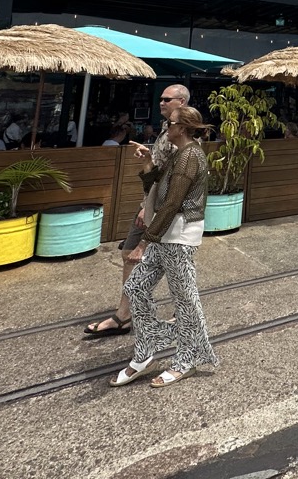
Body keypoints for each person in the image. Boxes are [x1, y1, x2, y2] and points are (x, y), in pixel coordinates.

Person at [110, 106, 219, 388]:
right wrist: (148, 162)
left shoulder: (190, 157)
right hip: (164, 233)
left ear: (181, 128)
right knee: (135, 287)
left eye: (168, 123)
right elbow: (158, 186)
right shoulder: (179, 154)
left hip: (178, 236)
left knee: (185, 299)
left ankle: (188, 358)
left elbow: (173, 202)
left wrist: (145, 242)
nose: (165, 127)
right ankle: (149, 345)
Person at [84, 84, 188, 338]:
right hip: (150, 203)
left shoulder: (183, 140)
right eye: (160, 99)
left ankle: (139, 316)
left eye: (167, 99)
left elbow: (172, 181)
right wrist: (149, 157)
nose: (161, 102)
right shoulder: (167, 131)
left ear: (182, 103)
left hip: (160, 207)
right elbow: (158, 169)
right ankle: (125, 315)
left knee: (160, 259)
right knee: (137, 255)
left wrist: (149, 208)